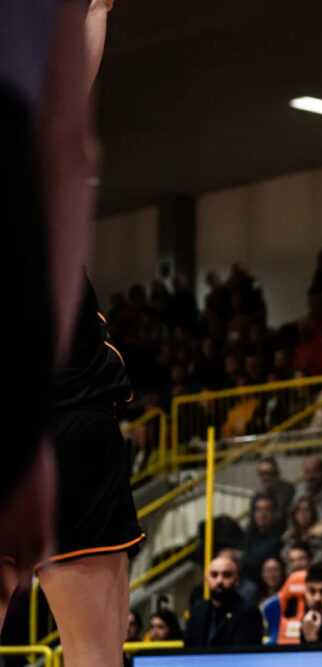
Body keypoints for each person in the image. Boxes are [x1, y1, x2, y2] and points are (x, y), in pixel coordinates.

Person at [1, 7, 147, 667]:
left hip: (67, 414)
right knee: (95, 657)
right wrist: (92, 11)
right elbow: (66, 117)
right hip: (66, 409)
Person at [185, 553, 263, 647]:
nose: (219, 580)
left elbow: (244, 653)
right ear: (206, 580)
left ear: (236, 580)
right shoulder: (197, 610)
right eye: (214, 575)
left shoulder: (248, 612)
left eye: (226, 575)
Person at [242, 495, 284, 594]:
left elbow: (253, 560)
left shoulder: (280, 534)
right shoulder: (249, 533)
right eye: (258, 510)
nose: (262, 514)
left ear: (274, 513)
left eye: (267, 509)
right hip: (248, 579)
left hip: (268, 583)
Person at [282, 497, 322, 564]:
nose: (302, 513)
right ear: (294, 514)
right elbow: (285, 557)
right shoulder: (289, 536)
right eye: (298, 510)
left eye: (307, 510)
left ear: (313, 513)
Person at [255, 457, 296, 522]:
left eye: (270, 473)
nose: (266, 477)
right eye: (262, 473)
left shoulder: (287, 490)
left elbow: (280, 515)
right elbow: (253, 521)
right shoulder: (257, 495)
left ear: (277, 473)